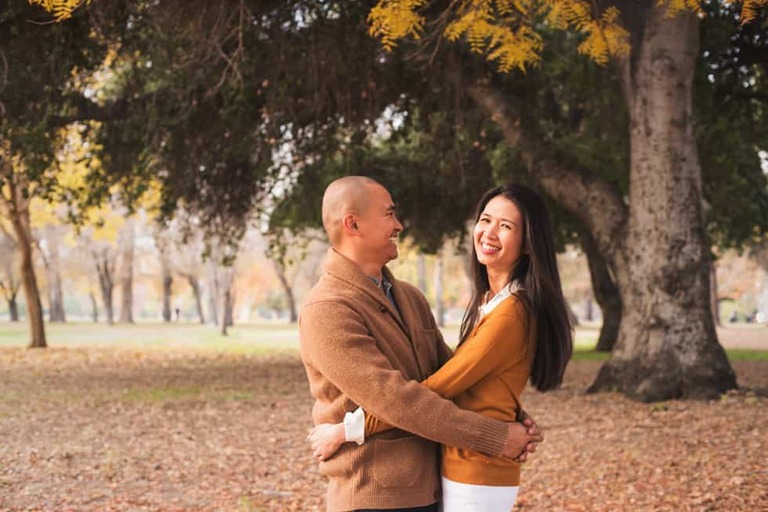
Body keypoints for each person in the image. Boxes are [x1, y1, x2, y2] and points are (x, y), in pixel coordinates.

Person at [308, 183, 573, 511]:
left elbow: (455, 379)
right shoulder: (328, 308)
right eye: (389, 214)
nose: (399, 224)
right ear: (353, 224)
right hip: (374, 497)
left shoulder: (409, 297)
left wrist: (509, 410)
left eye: (505, 225)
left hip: (430, 487)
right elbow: (397, 401)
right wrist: (497, 434)